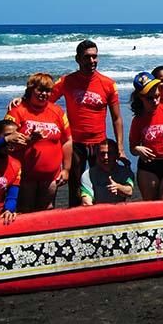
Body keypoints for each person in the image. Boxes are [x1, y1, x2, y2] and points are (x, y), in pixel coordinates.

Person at [50, 40, 125, 208]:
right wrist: (22, 101)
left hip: (100, 144)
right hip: (76, 144)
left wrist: (120, 148)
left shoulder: (108, 84)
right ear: (78, 59)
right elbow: (45, 100)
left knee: (101, 186)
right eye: (87, 57)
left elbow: (117, 118)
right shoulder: (66, 81)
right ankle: (75, 218)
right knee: (76, 187)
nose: (92, 61)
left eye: (94, 56)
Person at [5, 73, 73, 213]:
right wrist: (29, 140)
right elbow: (6, 143)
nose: (44, 94)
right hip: (24, 175)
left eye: (48, 91)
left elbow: (67, 141)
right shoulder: (17, 111)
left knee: (48, 210)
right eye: (40, 90)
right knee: (25, 211)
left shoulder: (57, 111)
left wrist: (66, 169)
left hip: (51, 176)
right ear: (31, 90)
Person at [129, 72, 163, 201]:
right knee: (150, 203)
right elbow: (132, 148)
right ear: (141, 97)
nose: (155, 101)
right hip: (148, 166)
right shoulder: (138, 120)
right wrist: (138, 149)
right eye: (150, 98)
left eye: (157, 96)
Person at [81, 139, 135, 205]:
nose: (106, 157)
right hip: (98, 209)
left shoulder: (125, 172)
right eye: (102, 154)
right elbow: (86, 201)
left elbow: (129, 191)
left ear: (117, 155)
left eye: (109, 154)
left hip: (119, 209)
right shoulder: (88, 175)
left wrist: (119, 187)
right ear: (97, 155)